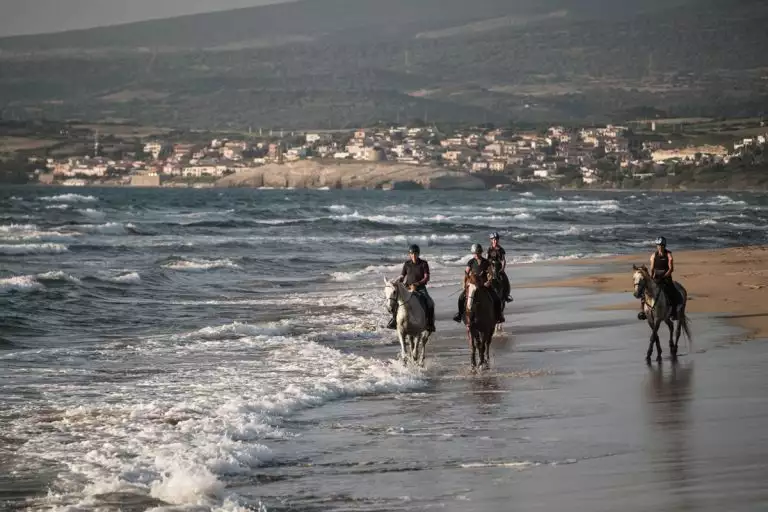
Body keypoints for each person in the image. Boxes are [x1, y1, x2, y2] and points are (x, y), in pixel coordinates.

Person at [387, 244, 435, 332]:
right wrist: (398, 280)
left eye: (415, 253)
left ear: (418, 254)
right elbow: (402, 275)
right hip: (407, 288)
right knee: (396, 301)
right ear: (409, 254)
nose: (414, 255)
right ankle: (394, 320)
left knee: (430, 303)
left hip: (420, 288)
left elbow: (426, 277)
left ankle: (430, 324)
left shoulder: (424, 263)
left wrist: (417, 284)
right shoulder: (407, 264)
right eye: (412, 254)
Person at [452, 243, 504, 324]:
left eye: (477, 253)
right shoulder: (471, 262)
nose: (476, 255)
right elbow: (466, 274)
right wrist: (464, 284)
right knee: (461, 298)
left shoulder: (486, 262)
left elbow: (491, 274)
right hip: (472, 285)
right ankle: (459, 315)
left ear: (481, 252)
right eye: (474, 253)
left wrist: (489, 281)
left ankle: (499, 316)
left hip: (484, 285)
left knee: (496, 298)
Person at [638, 236, 680, 320]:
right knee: (645, 292)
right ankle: (643, 311)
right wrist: (652, 277)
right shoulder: (653, 255)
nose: (659, 247)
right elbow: (652, 268)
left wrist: (664, 276)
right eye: (658, 245)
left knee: (672, 292)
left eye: (661, 245)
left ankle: (674, 312)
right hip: (656, 276)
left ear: (664, 245)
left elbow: (671, 269)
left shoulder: (669, 255)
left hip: (666, 277)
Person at [486, 232, 513, 303]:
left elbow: (503, 260)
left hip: (498, 269)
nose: (495, 241)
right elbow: (486, 259)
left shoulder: (501, 250)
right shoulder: (489, 249)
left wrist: (502, 269)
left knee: (505, 281)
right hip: (490, 268)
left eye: (496, 239)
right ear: (491, 240)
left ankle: (506, 295)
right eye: (493, 240)